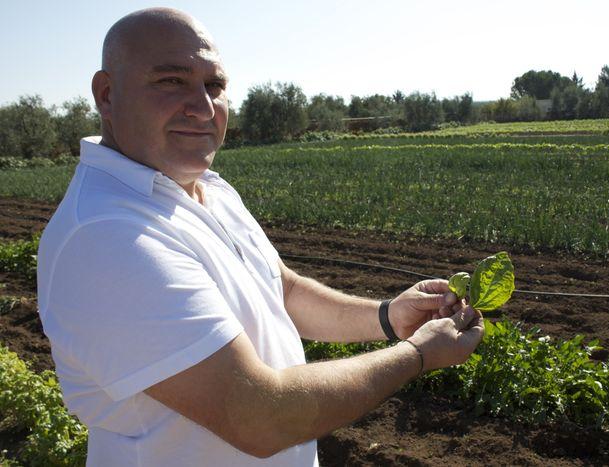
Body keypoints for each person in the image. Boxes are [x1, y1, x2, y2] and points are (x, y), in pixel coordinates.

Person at [37, 7, 484, 467]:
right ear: (107, 95)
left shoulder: (207, 188)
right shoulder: (109, 236)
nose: (203, 106)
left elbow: (281, 289)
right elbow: (259, 416)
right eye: (172, 81)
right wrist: (416, 355)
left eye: (215, 86)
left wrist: (389, 316)